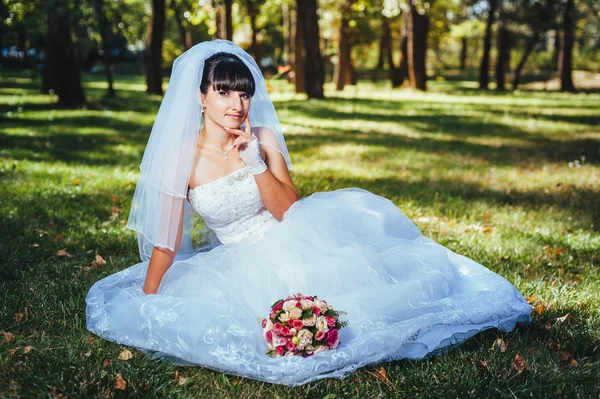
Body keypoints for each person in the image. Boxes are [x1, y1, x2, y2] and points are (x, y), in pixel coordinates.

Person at [86, 40, 532, 386]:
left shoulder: (261, 135)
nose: (236, 105)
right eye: (223, 93)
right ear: (200, 97)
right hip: (235, 261)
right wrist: (147, 302)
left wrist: (255, 162)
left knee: (366, 295)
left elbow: (289, 210)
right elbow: (165, 244)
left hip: (297, 238)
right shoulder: (181, 159)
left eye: (243, 93)